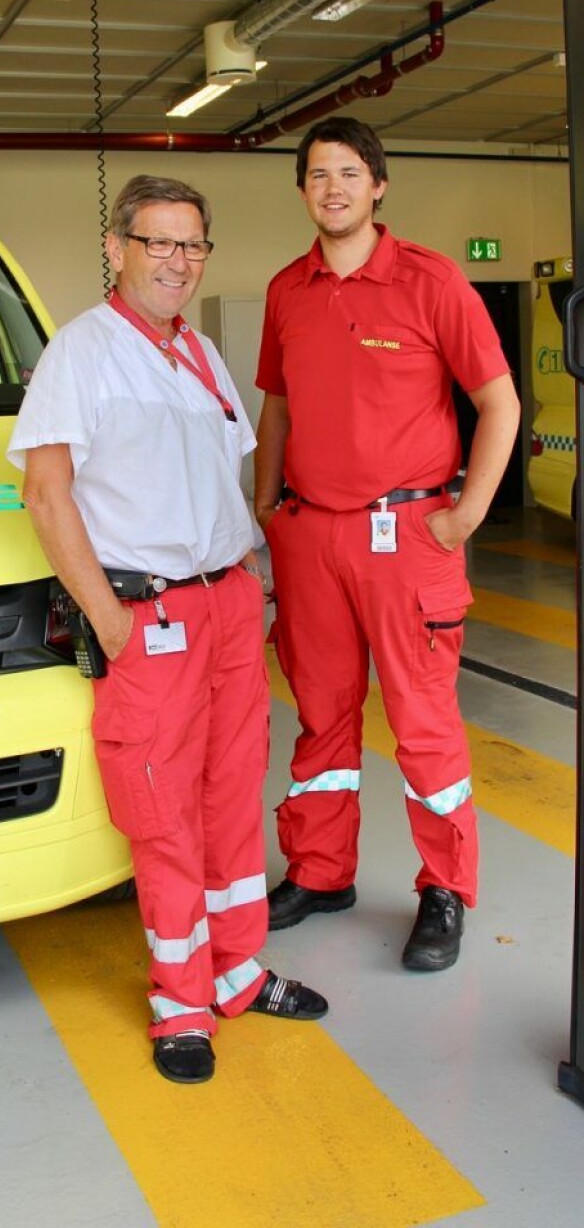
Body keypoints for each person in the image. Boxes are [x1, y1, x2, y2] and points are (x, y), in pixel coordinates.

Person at [8, 174, 328, 1085]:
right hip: (146, 614)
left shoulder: (200, 358)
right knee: (164, 815)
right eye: (160, 243)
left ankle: (238, 971)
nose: (178, 263)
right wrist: (108, 622)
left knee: (231, 798)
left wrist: (252, 578)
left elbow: (219, 480)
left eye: (193, 246)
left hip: (225, 605)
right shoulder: (82, 353)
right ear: (117, 249)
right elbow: (46, 492)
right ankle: (181, 1002)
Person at [254, 117, 521, 973]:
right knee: (322, 717)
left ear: (378, 186)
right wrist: (267, 504)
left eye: (348, 172)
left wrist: (465, 516)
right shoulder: (286, 289)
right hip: (312, 535)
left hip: (408, 535)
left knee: (422, 721)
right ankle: (321, 872)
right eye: (316, 174)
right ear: (302, 190)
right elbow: (279, 406)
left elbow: (501, 403)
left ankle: (444, 889)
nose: (331, 187)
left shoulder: (430, 281)